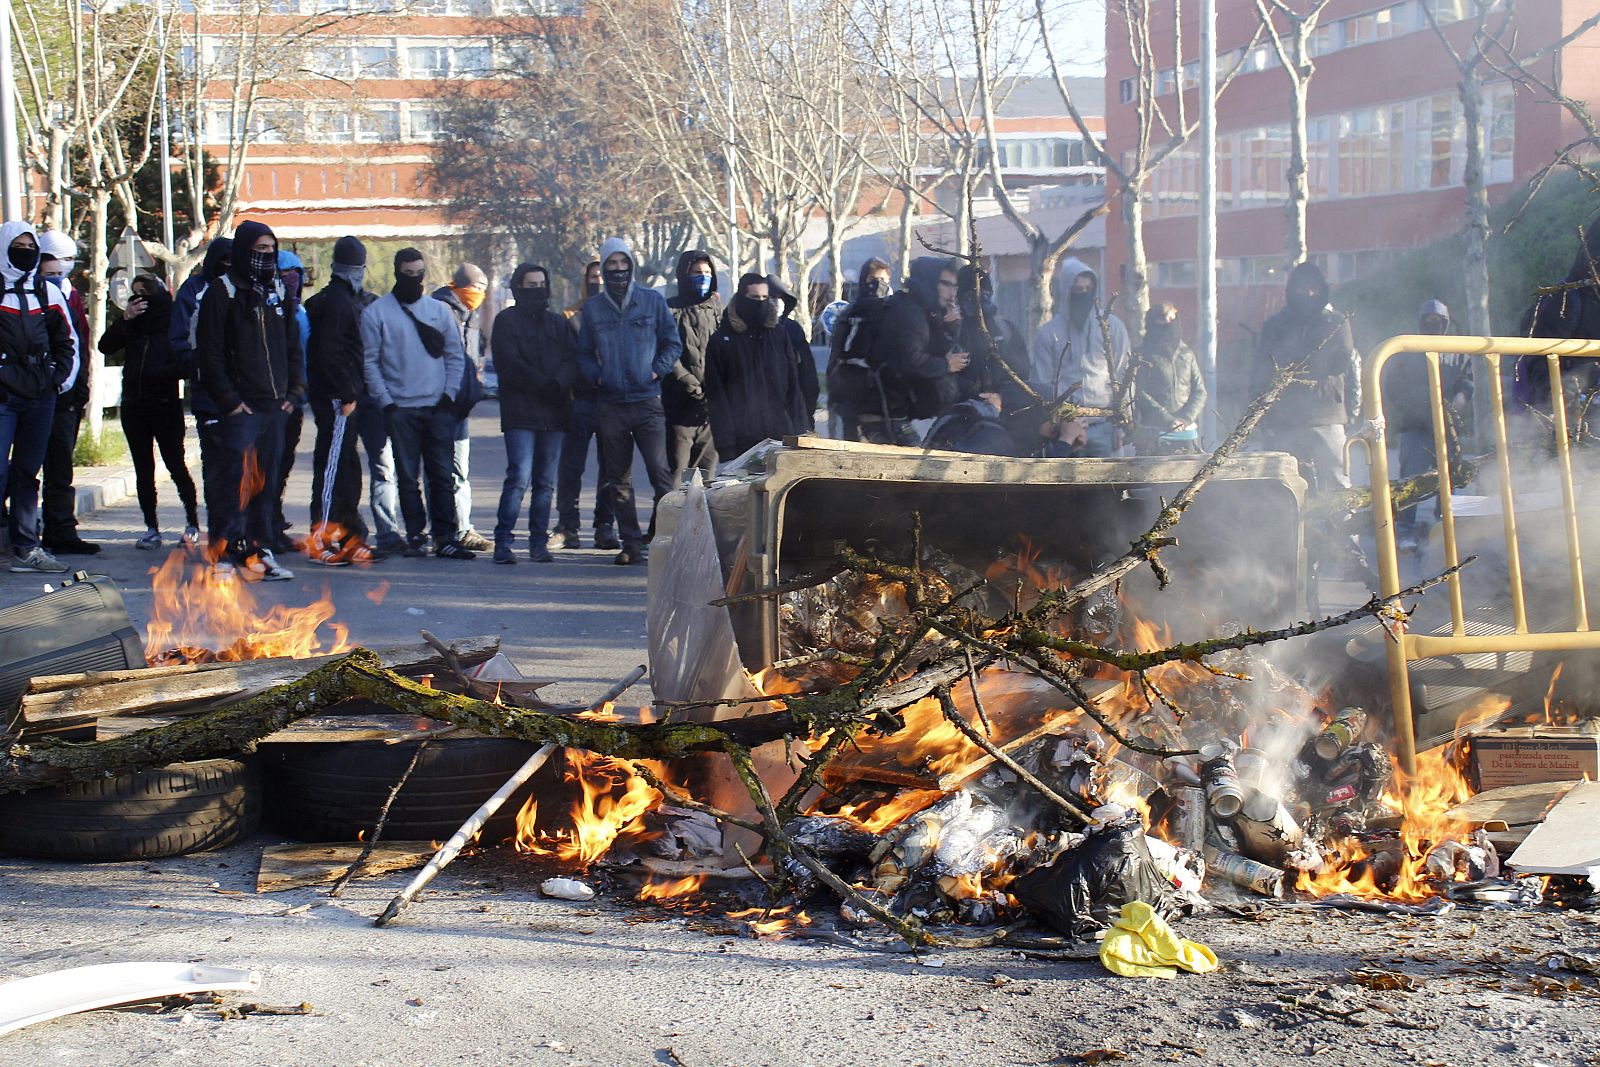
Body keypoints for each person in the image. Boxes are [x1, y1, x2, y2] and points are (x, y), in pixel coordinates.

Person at [194, 219, 304, 580]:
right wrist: (229, 401)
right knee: (234, 483)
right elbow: (208, 355)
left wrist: (293, 393)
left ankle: (260, 552)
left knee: (267, 484)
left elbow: (292, 346)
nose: (266, 257)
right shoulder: (221, 293)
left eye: (271, 250)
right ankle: (226, 554)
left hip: (275, 407)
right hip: (240, 408)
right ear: (243, 252)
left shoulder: (278, 292)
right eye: (259, 250)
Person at [361, 247, 472, 560]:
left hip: (437, 407)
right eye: (407, 274)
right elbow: (370, 362)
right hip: (400, 409)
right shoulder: (377, 314)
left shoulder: (438, 312)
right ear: (397, 272)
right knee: (408, 479)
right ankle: (415, 536)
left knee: (441, 475)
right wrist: (386, 402)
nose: (413, 280)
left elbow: (455, 354)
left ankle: (446, 537)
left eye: (418, 274)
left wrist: (449, 394)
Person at [575, 237, 680, 565]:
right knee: (618, 479)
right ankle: (631, 542)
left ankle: (667, 540)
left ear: (631, 266)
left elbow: (671, 343)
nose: (618, 270)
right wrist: (597, 376)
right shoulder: (592, 309)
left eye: (623, 264)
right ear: (603, 268)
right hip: (611, 404)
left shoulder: (652, 301)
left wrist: (655, 372)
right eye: (612, 265)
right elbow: (582, 353)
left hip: (647, 401)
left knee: (660, 473)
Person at [98, 274, 201, 550]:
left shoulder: (172, 320)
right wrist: (125, 319)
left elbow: (186, 361)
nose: (139, 298)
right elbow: (105, 346)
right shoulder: (132, 324)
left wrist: (163, 374)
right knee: (143, 468)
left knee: (175, 464)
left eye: (145, 292)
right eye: (135, 293)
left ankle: (192, 522)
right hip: (134, 404)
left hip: (165, 403)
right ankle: (151, 527)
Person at [0, 221, 77, 574]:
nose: (26, 252)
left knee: (28, 473)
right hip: (4, 396)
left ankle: (26, 547)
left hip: (40, 396)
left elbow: (68, 342)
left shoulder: (48, 292)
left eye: (31, 246)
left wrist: (56, 381)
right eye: (18, 245)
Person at [491, 263, 578, 564]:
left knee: (545, 482)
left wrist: (559, 383)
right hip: (520, 412)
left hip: (554, 413)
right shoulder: (505, 321)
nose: (537, 289)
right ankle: (503, 542)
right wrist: (543, 384)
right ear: (518, 287)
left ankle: (537, 543)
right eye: (530, 284)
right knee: (519, 477)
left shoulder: (558, 323)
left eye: (541, 283)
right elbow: (509, 363)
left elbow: (572, 358)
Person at [304, 235, 382, 565]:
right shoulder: (339, 302)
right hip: (339, 399)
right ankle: (321, 538)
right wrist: (347, 393)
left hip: (340, 396)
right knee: (334, 469)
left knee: (346, 467)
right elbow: (330, 353)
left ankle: (349, 535)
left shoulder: (332, 299)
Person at [1250, 262, 1361, 493]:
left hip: (1327, 415)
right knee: (1286, 486)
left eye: (1314, 288)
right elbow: (1262, 370)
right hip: (1286, 420)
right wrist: (1260, 414)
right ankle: (1290, 529)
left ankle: (1344, 528)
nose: (1309, 294)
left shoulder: (1336, 322)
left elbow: (1343, 363)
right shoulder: (1275, 325)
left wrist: (1351, 413)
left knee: (1338, 483)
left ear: (1323, 289)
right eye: (1302, 288)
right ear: (1291, 290)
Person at [1382, 299, 1471, 551]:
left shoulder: (1456, 349)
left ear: (1446, 323)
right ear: (1421, 322)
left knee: (1449, 478)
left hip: (1447, 428)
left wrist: (1462, 396)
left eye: (1438, 321)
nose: (1433, 325)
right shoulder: (1408, 349)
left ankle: (1444, 528)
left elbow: (1467, 379)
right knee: (1411, 480)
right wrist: (1416, 405)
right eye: (1428, 320)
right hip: (1415, 427)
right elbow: (1392, 386)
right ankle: (1406, 532)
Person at [35, 230, 98, 555]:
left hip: (68, 395)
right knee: (27, 467)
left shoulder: (69, 294)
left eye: (68, 264)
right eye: (53, 269)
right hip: (38, 393)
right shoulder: (30, 295)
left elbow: (77, 343)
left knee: (61, 466)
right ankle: (23, 532)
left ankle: (61, 530)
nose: (62, 273)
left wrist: (79, 386)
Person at [1029, 257, 1131, 457]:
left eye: (1088, 289)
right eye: (1077, 290)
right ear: (1067, 291)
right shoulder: (1048, 333)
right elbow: (1041, 384)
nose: (1083, 294)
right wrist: (1059, 424)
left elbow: (1123, 375)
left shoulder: (1112, 327)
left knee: (1109, 486)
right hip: (1067, 428)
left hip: (1106, 426)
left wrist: (1123, 425)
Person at [704, 274, 813, 460]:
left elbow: (793, 386)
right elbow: (717, 399)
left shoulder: (779, 335)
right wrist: (726, 447)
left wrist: (801, 432)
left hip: (781, 435)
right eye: (754, 297)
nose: (760, 302)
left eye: (765, 297)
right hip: (742, 440)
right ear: (741, 298)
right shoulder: (721, 341)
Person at [860, 257, 967, 446]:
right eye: (946, 285)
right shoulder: (911, 313)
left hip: (895, 411)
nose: (952, 294)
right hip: (886, 415)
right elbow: (910, 361)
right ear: (930, 282)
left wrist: (947, 327)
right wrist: (946, 365)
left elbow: (926, 348)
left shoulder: (920, 309)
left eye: (955, 287)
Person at [552, 260, 617, 551]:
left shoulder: (620, 313)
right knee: (571, 468)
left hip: (612, 401)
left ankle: (605, 526)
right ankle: (568, 526)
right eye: (594, 277)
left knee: (612, 469)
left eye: (603, 276)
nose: (599, 281)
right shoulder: (571, 315)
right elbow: (566, 358)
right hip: (578, 402)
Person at [170, 238, 232, 527]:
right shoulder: (193, 290)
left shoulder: (243, 288)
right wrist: (197, 370)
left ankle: (245, 533)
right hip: (208, 396)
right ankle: (219, 533)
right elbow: (179, 339)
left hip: (243, 395)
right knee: (216, 469)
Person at [432, 263, 489, 552]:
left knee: (459, 471)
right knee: (440, 471)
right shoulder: (438, 310)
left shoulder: (473, 316)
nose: (479, 294)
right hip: (440, 403)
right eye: (476, 288)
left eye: (483, 290)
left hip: (462, 406)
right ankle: (441, 531)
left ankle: (464, 528)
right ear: (460, 285)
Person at [664, 250, 719, 484]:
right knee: (677, 477)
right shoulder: (669, 309)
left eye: (707, 272)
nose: (702, 277)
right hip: (679, 407)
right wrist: (689, 383)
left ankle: (700, 523)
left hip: (710, 410)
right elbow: (665, 352)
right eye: (697, 272)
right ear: (684, 275)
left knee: (706, 479)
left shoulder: (717, 310)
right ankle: (665, 522)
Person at [269, 248, 311, 554]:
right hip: (272, 401)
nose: (292, 280)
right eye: (285, 275)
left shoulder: (301, 313)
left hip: (295, 400)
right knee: (268, 467)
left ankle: (274, 519)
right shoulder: (270, 309)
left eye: (296, 274)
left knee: (283, 466)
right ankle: (264, 527)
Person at [825, 258, 893, 441]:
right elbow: (837, 354)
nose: (878, 285)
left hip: (887, 398)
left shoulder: (895, 312)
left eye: (883, 280)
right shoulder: (851, 313)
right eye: (873, 279)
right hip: (851, 392)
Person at [1131, 302, 1207, 455]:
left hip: (1186, 433)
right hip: (1153, 433)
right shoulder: (1141, 354)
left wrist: (1184, 419)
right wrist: (1167, 419)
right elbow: (1139, 392)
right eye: (1161, 318)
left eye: (1171, 318)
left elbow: (1200, 391)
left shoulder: (1187, 353)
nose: (1167, 322)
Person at [766, 273, 820, 428]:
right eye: (770, 297)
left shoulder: (793, 329)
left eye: (779, 297)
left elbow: (808, 377)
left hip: (794, 413)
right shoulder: (752, 331)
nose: (775, 302)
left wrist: (807, 414)